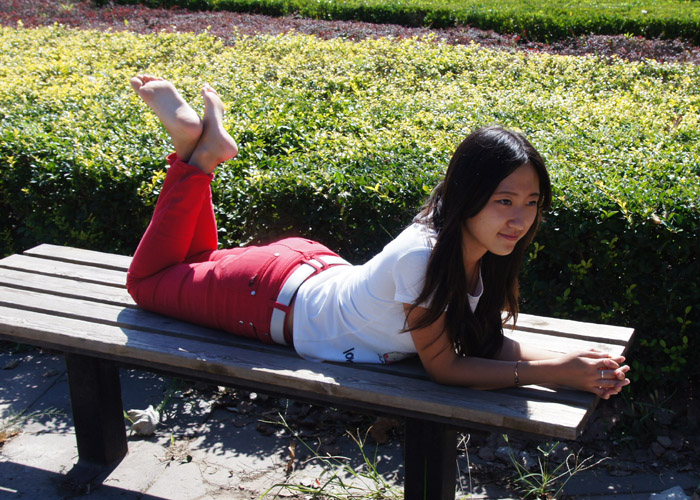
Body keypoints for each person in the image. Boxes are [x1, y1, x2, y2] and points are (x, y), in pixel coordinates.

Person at [126, 75, 630, 400]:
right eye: (505, 201)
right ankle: (197, 156)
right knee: (148, 282)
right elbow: (446, 368)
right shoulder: (423, 257)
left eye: (532, 202)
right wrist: (556, 372)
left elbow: (485, 343)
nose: (520, 219)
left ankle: (198, 153)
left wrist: (573, 363)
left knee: (192, 260)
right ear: (470, 194)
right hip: (265, 297)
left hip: (300, 275)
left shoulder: (477, 243)